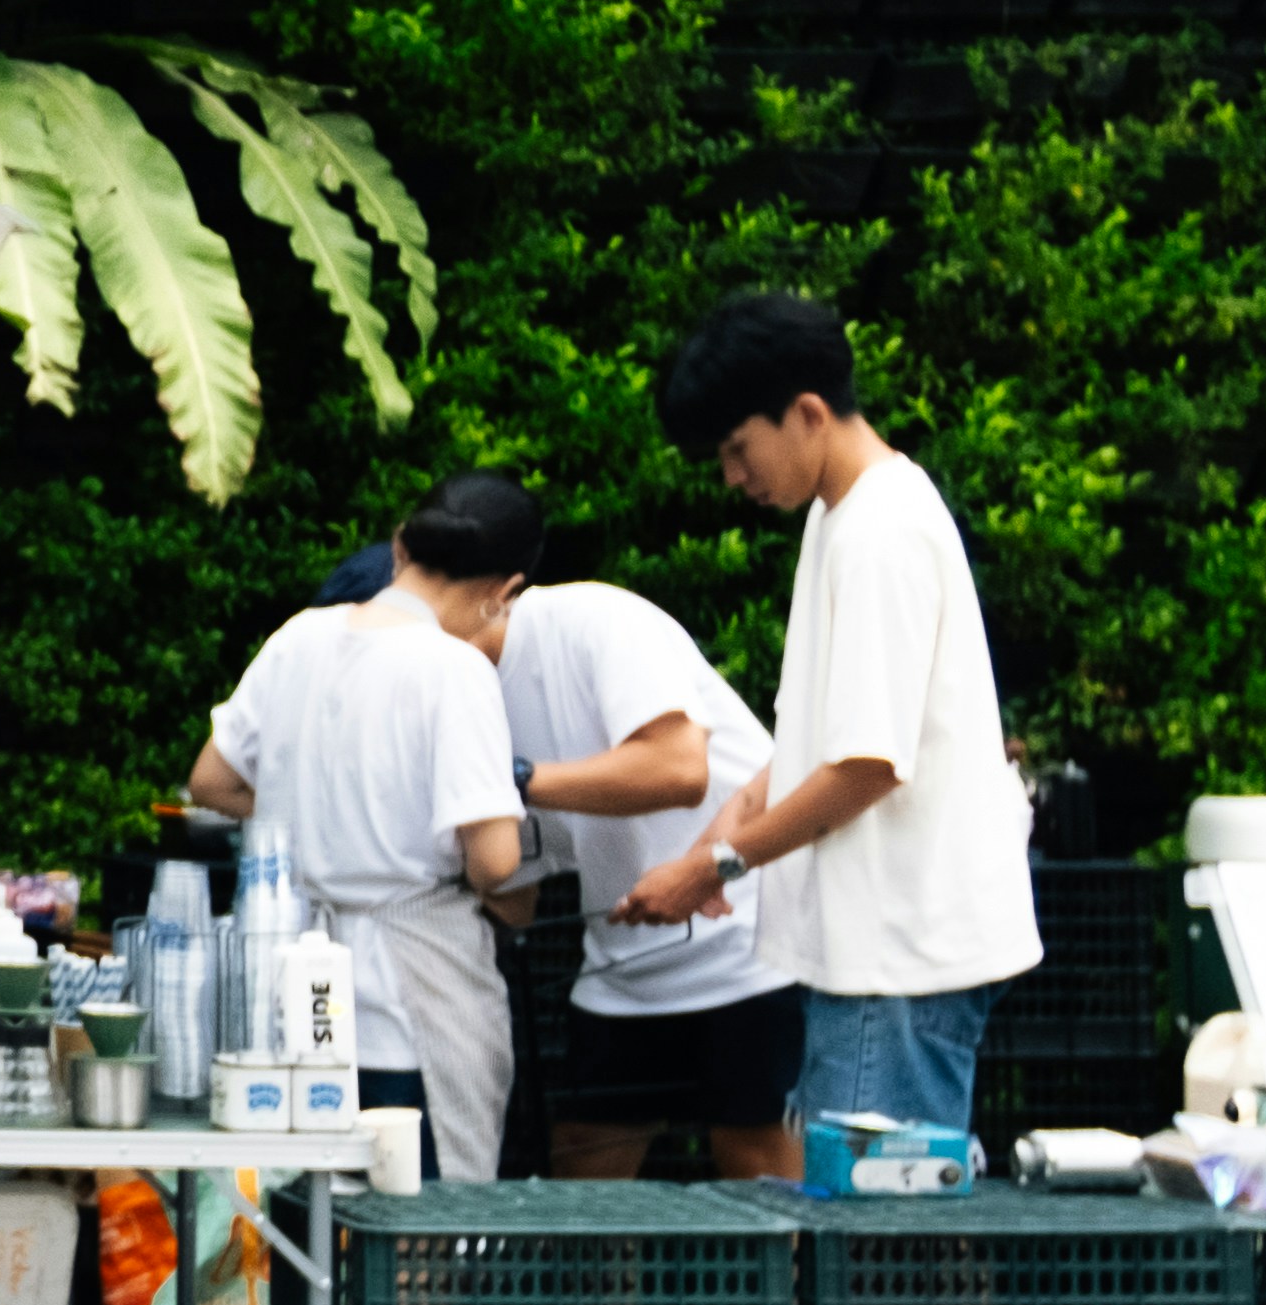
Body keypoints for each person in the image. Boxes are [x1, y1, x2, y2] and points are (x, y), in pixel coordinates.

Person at [622, 291, 1039, 1135]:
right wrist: (729, 820)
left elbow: (866, 766)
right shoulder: (841, 514)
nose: (732, 476)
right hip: (885, 956)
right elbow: (835, 729)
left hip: (893, 963)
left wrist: (719, 866)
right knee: (891, 1237)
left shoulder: (877, 533)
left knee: (881, 1245)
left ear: (807, 412)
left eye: (738, 448)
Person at [186, 468, 546, 1174]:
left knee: (306, 1217)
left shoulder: (298, 637)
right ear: (504, 591)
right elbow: (495, 860)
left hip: (289, 992)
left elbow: (210, 780)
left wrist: (303, 820)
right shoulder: (453, 668)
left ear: (399, 545)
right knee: (411, 1235)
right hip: (409, 998)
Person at [497, 562, 804, 1180]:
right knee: (584, 1161)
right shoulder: (452, 692)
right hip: (619, 966)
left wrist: (515, 777)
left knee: (753, 1156)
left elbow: (679, 772)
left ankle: (796, 1282)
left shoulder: (595, 618)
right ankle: (603, 1282)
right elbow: (513, 896)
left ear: (486, 590)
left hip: (747, 942)